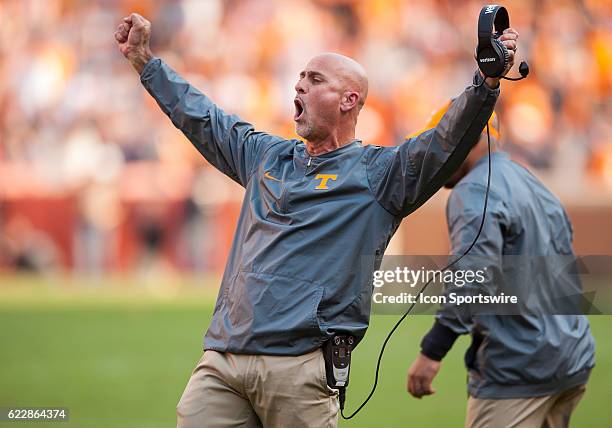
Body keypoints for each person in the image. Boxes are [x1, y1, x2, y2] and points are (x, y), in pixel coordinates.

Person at [114, 13, 519, 428]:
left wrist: (487, 81)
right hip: (224, 360)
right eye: (300, 76)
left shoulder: (380, 174)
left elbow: (444, 141)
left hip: (301, 368)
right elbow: (202, 117)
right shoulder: (266, 156)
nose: (299, 83)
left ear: (349, 100)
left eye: (315, 78)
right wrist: (146, 62)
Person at [406, 102, 596, 428]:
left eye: (440, 142)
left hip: (520, 370)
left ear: (470, 136)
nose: (433, 155)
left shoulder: (475, 189)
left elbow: (473, 276)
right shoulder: (528, 180)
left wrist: (432, 351)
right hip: (571, 359)